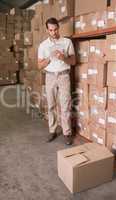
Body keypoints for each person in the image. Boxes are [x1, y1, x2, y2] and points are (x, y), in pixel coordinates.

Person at [38, 17, 76, 145]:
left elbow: (74, 61)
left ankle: (67, 133)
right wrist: (49, 58)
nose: (53, 32)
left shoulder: (67, 42)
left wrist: (63, 57)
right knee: (51, 105)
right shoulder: (43, 45)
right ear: (47, 30)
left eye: (55, 29)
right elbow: (39, 65)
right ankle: (52, 130)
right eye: (50, 30)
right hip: (50, 76)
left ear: (58, 28)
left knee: (65, 105)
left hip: (64, 76)